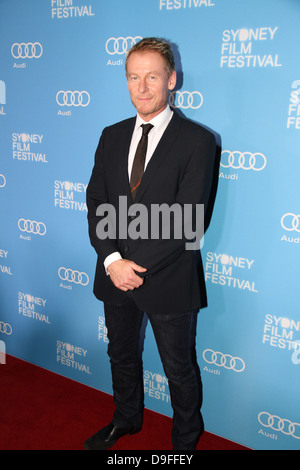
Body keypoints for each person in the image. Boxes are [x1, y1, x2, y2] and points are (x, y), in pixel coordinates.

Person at [85, 37, 218, 450]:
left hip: (168, 278)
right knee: (121, 355)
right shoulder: (111, 135)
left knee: (179, 368)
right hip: (114, 274)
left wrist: (132, 266)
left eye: (153, 77)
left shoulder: (198, 140)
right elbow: (97, 202)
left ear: (172, 79)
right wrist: (111, 261)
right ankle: (126, 419)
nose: (142, 88)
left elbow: (189, 219)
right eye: (133, 77)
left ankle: (185, 441)